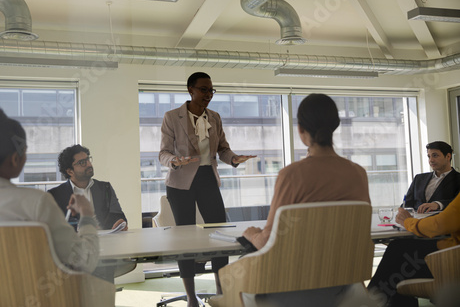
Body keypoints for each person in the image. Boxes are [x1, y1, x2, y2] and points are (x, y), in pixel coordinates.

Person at [0, 105, 99, 273]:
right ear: (15, 159)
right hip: (32, 297)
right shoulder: (36, 203)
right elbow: (84, 260)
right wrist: (86, 215)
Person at [159, 71, 255, 307]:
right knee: (185, 239)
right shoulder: (172, 117)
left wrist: (234, 159)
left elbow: (223, 149)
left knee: (219, 236)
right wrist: (174, 160)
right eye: (204, 89)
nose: (208, 94)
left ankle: (221, 291)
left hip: (207, 179)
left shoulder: (215, 117)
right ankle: (191, 296)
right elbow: (163, 153)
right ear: (190, 90)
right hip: (180, 182)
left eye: (211, 90)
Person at [243, 93, 371, 250]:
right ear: (335, 126)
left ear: (300, 129)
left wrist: (252, 235)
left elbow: (268, 242)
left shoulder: (291, 175)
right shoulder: (358, 174)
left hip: (298, 272)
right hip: (348, 272)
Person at [368, 193, 460, 307]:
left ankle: (367, 303)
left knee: (398, 252)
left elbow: (438, 225)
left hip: (449, 264)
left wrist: (408, 221)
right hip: (450, 255)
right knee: (399, 257)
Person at [49, 144, 128, 231]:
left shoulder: (105, 188)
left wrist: (120, 223)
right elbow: (53, 228)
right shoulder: (54, 195)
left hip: (105, 240)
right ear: (70, 171)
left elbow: (118, 216)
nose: (89, 164)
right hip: (74, 242)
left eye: (88, 159)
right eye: (82, 162)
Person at [403, 141, 460, 213]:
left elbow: (458, 203)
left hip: (442, 222)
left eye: (435, 155)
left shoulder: (458, 179)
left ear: (448, 156)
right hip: (415, 222)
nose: (431, 160)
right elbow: (407, 204)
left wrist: (437, 204)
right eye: (429, 156)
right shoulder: (419, 178)